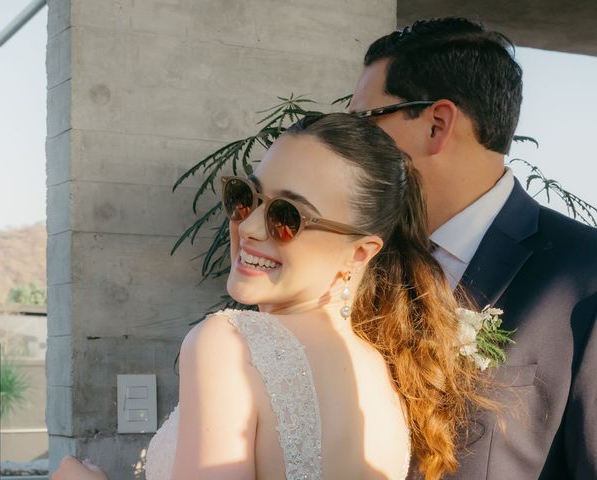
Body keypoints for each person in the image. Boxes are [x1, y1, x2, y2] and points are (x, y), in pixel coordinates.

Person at [53, 113, 502, 480]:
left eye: (287, 216)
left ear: (360, 251)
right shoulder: (387, 370)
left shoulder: (228, 344)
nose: (247, 227)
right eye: (246, 198)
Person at [349, 17, 597, 479]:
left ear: (437, 124)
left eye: (366, 119)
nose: (353, 143)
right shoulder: (356, 260)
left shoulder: (583, 276)